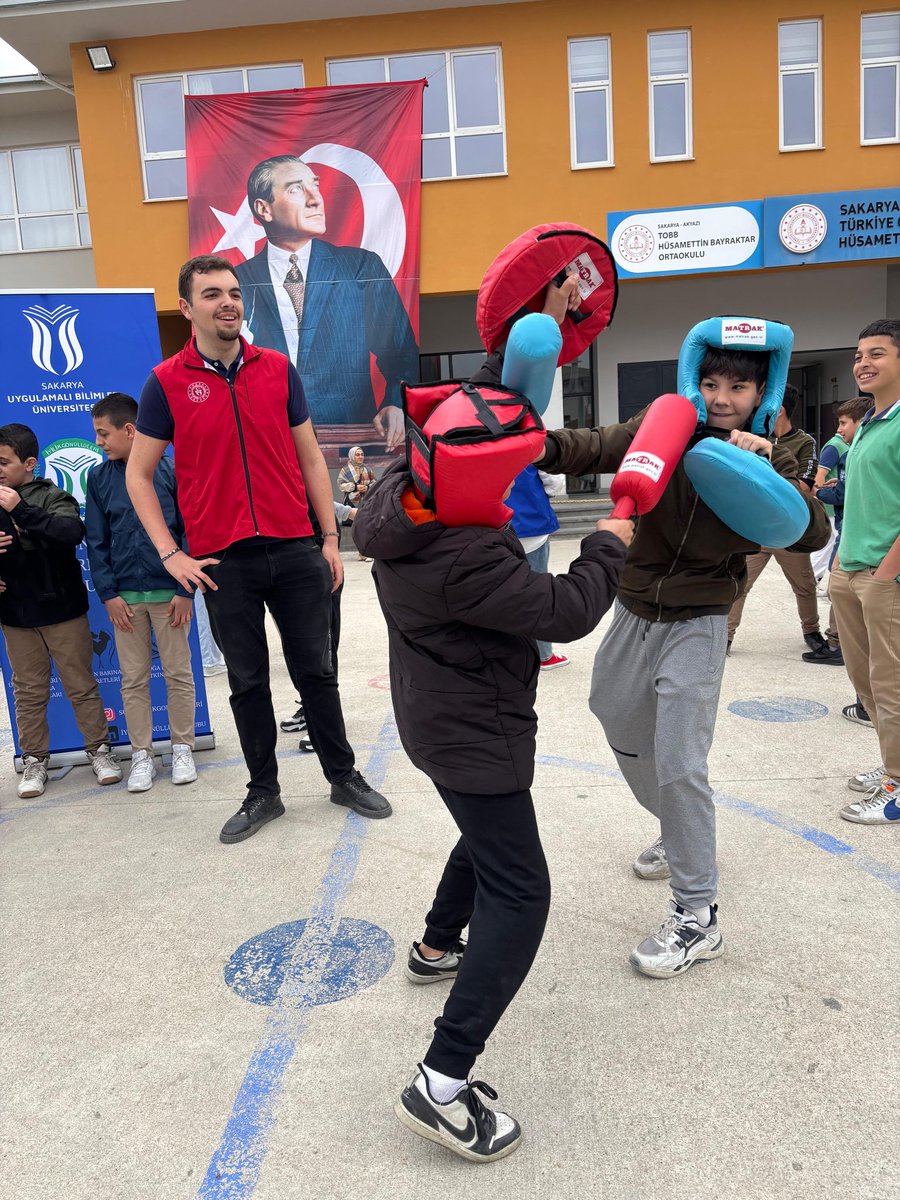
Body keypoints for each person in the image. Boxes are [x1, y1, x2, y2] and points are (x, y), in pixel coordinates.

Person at [354, 275, 632, 1161]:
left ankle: (438, 943)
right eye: (508, 470)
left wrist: (538, 321)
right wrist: (607, 545)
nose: (517, 476)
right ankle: (442, 1079)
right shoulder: (468, 555)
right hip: (476, 727)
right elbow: (564, 611)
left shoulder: (404, 491)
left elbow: (483, 407)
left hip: (436, 717)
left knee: (483, 835)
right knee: (523, 888)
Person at [533, 326, 829, 979]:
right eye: (712, 382)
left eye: (739, 386)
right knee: (611, 710)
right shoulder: (666, 423)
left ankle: (697, 916)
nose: (722, 398)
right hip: (634, 605)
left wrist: (761, 469)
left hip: (699, 617)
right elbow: (595, 445)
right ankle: (675, 826)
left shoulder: (776, 451)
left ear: (761, 391)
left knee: (680, 760)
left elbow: (812, 529)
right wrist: (530, 444)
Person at [126, 254, 390, 843]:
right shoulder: (166, 382)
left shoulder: (277, 369)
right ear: (187, 308)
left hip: (296, 549)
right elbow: (138, 475)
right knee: (247, 683)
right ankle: (263, 792)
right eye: (213, 294)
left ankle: (342, 776)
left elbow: (310, 459)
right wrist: (172, 555)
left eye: (234, 294)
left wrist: (329, 538)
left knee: (317, 673)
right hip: (224, 563)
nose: (228, 303)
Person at [235, 155, 418, 451]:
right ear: (263, 209)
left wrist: (396, 404)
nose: (315, 199)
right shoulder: (237, 283)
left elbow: (401, 354)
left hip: (351, 449)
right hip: (269, 449)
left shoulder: (360, 268)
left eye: (315, 186)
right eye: (296, 189)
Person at [0, 422, 123, 798]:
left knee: (80, 685)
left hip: (63, 612)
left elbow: (70, 534)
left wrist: (21, 512)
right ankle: (35, 761)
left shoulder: (53, 496)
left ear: (29, 464)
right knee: (28, 691)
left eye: (4, 461)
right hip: (16, 617)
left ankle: (99, 752)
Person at [85, 393, 197, 794]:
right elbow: (96, 542)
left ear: (130, 430)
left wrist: (187, 590)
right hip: (126, 602)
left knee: (178, 674)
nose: (99, 443)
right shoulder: (98, 479)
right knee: (132, 680)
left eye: (103, 434)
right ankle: (142, 755)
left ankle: (183, 746)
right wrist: (109, 595)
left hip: (171, 596)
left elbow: (190, 532)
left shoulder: (170, 470)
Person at [829, 319, 900, 825]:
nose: (863, 363)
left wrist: (884, 574)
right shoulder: (869, 423)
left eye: (877, 353)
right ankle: (893, 765)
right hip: (849, 569)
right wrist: (839, 561)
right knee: (864, 680)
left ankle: (898, 787)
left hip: (884, 576)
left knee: (891, 681)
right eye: (858, 355)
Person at [726, 385, 825, 658]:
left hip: (789, 531)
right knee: (740, 584)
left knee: (804, 586)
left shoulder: (804, 442)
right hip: (757, 530)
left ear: (777, 409)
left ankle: (811, 631)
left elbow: (803, 488)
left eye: (761, 404)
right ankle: (725, 636)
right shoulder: (751, 438)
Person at [803, 396, 870, 666]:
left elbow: (833, 488)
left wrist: (820, 492)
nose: (838, 429)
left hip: (851, 533)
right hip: (848, 529)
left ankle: (836, 643)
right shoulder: (850, 449)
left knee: (838, 587)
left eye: (843, 423)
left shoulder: (841, 450)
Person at [506, 464, 570, 669]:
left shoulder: (479, 438)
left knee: (500, 591)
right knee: (538, 592)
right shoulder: (530, 440)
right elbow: (555, 483)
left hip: (495, 525)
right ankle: (543, 654)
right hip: (532, 525)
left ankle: (507, 651)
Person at [337, 447, 377, 561]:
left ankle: (366, 552)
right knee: (357, 528)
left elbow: (375, 483)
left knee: (366, 526)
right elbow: (340, 485)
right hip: (352, 502)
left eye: (362, 454)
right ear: (352, 456)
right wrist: (354, 487)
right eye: (357, 455)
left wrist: (367, 487)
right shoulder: (345, 470)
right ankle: (362, 552)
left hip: (366, 502)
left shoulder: (367, 469)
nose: (360, 457)